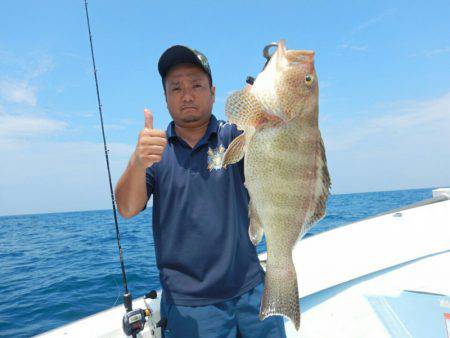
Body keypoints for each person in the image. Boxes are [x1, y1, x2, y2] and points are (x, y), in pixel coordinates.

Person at [115, 45, 287, 338]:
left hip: (253, 291)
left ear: (213, 92)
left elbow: (276, 137)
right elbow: (127, 208)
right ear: (166, 98)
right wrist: (137, 161)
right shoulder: (155, 152)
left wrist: (271, 90)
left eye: (196, 85)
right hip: (190, 308)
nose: (187, 95)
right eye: (176, 88)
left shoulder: (234, 135)